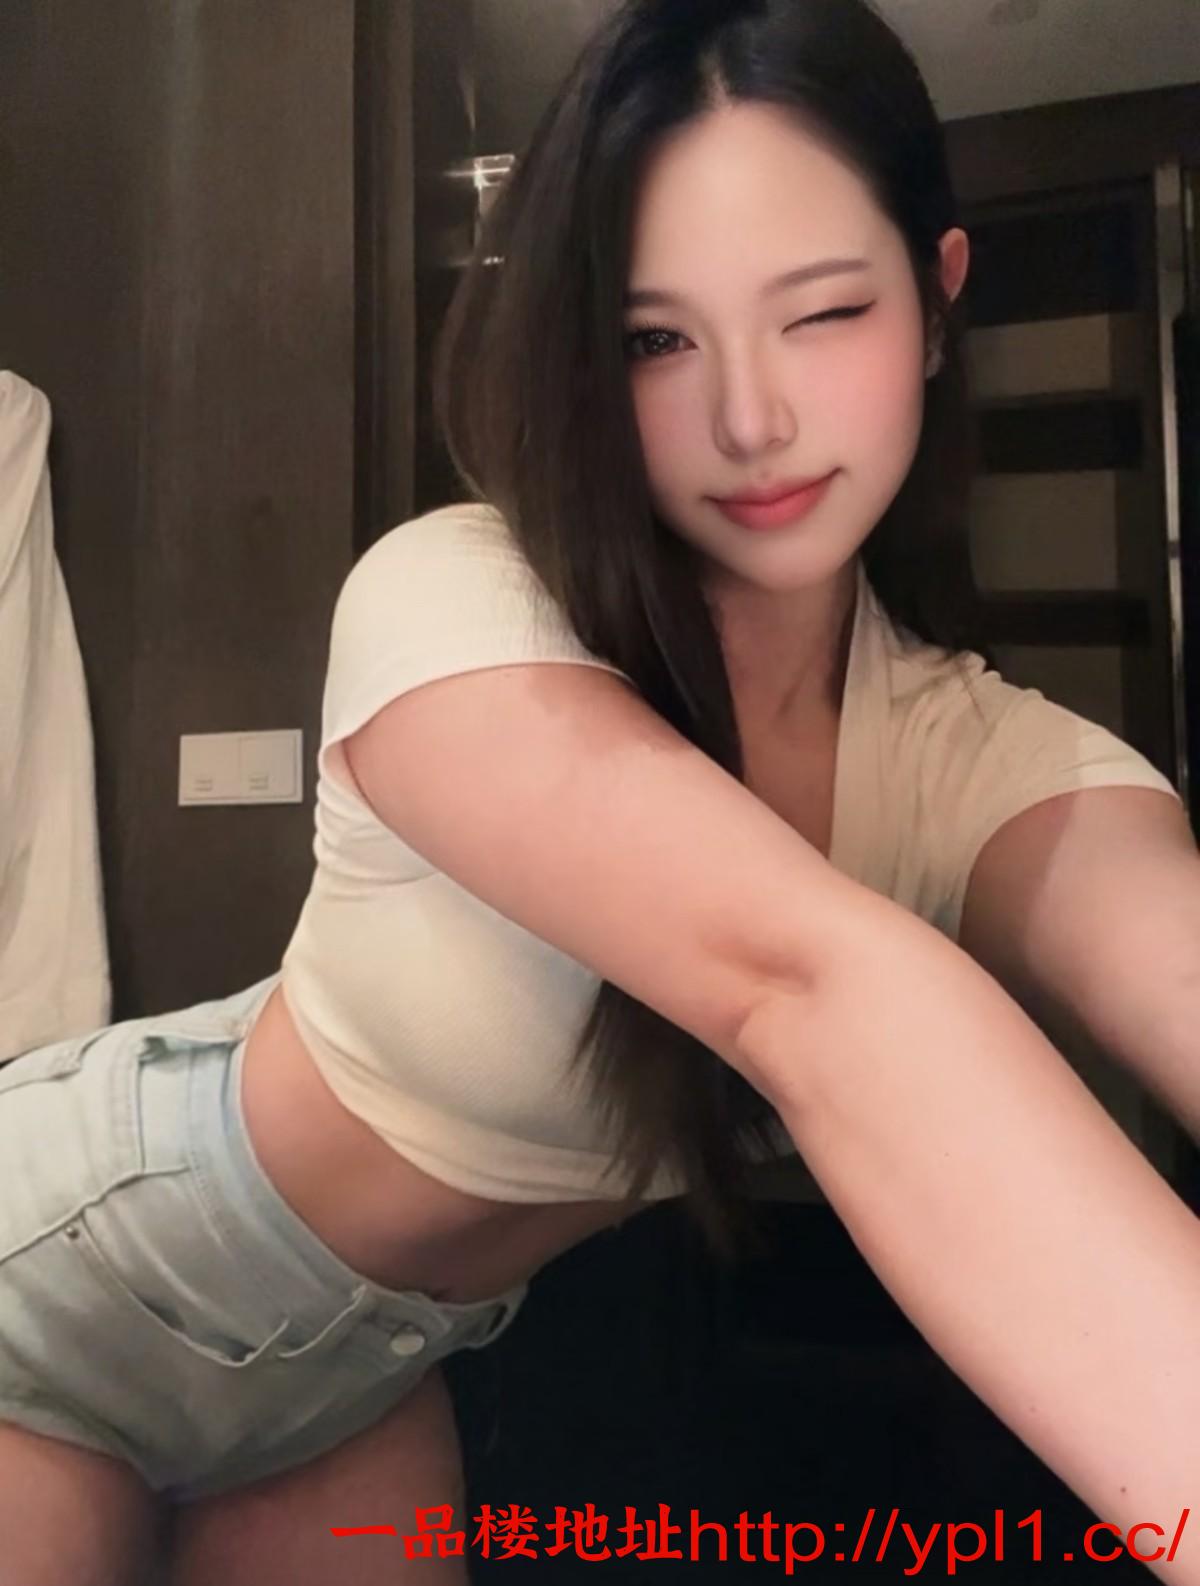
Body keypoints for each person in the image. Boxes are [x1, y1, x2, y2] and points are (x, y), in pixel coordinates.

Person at [2, 1, 1198, 1581]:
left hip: (355, 1381)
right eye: (654, 340)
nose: (751, 418)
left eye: (824, 312)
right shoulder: (458, 602)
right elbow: (809, 985)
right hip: (66, 1277)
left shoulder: (983, 761)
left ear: (935, 301)